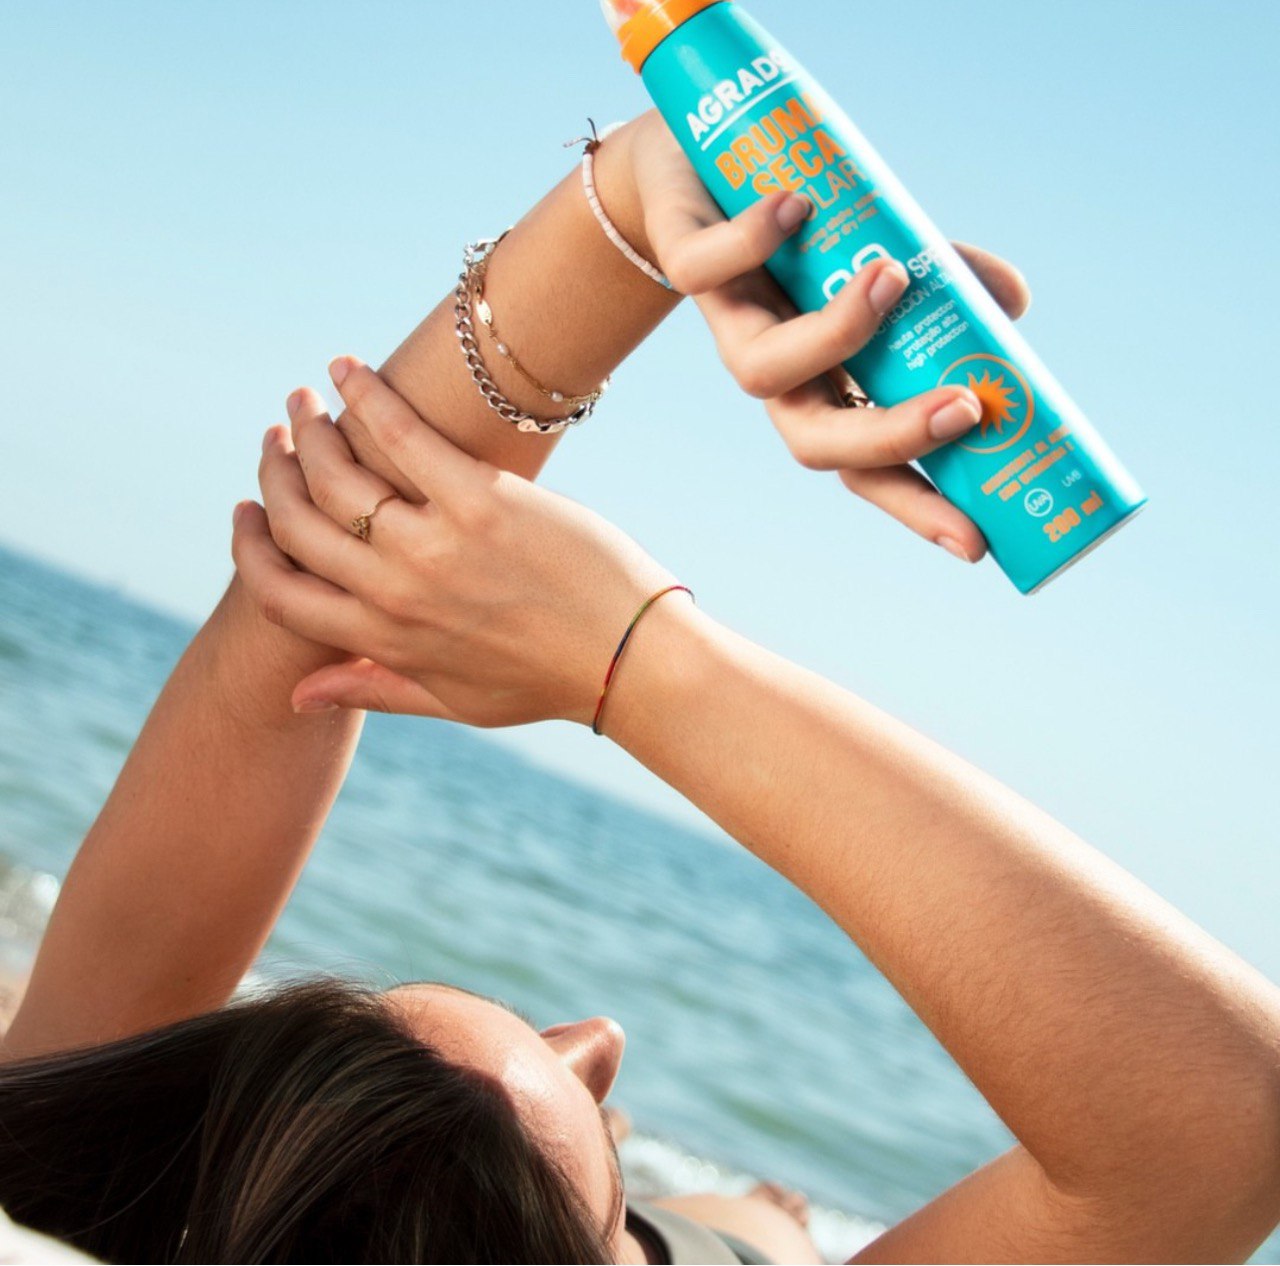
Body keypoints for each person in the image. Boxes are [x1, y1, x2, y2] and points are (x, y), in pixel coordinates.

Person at [1, 110, 1276, 1265]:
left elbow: (313, 589)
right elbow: (1225, 1128)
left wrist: (644, 205)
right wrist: (630, 660)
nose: (597, 1036)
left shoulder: (80, 1192)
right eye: (606, 1213)